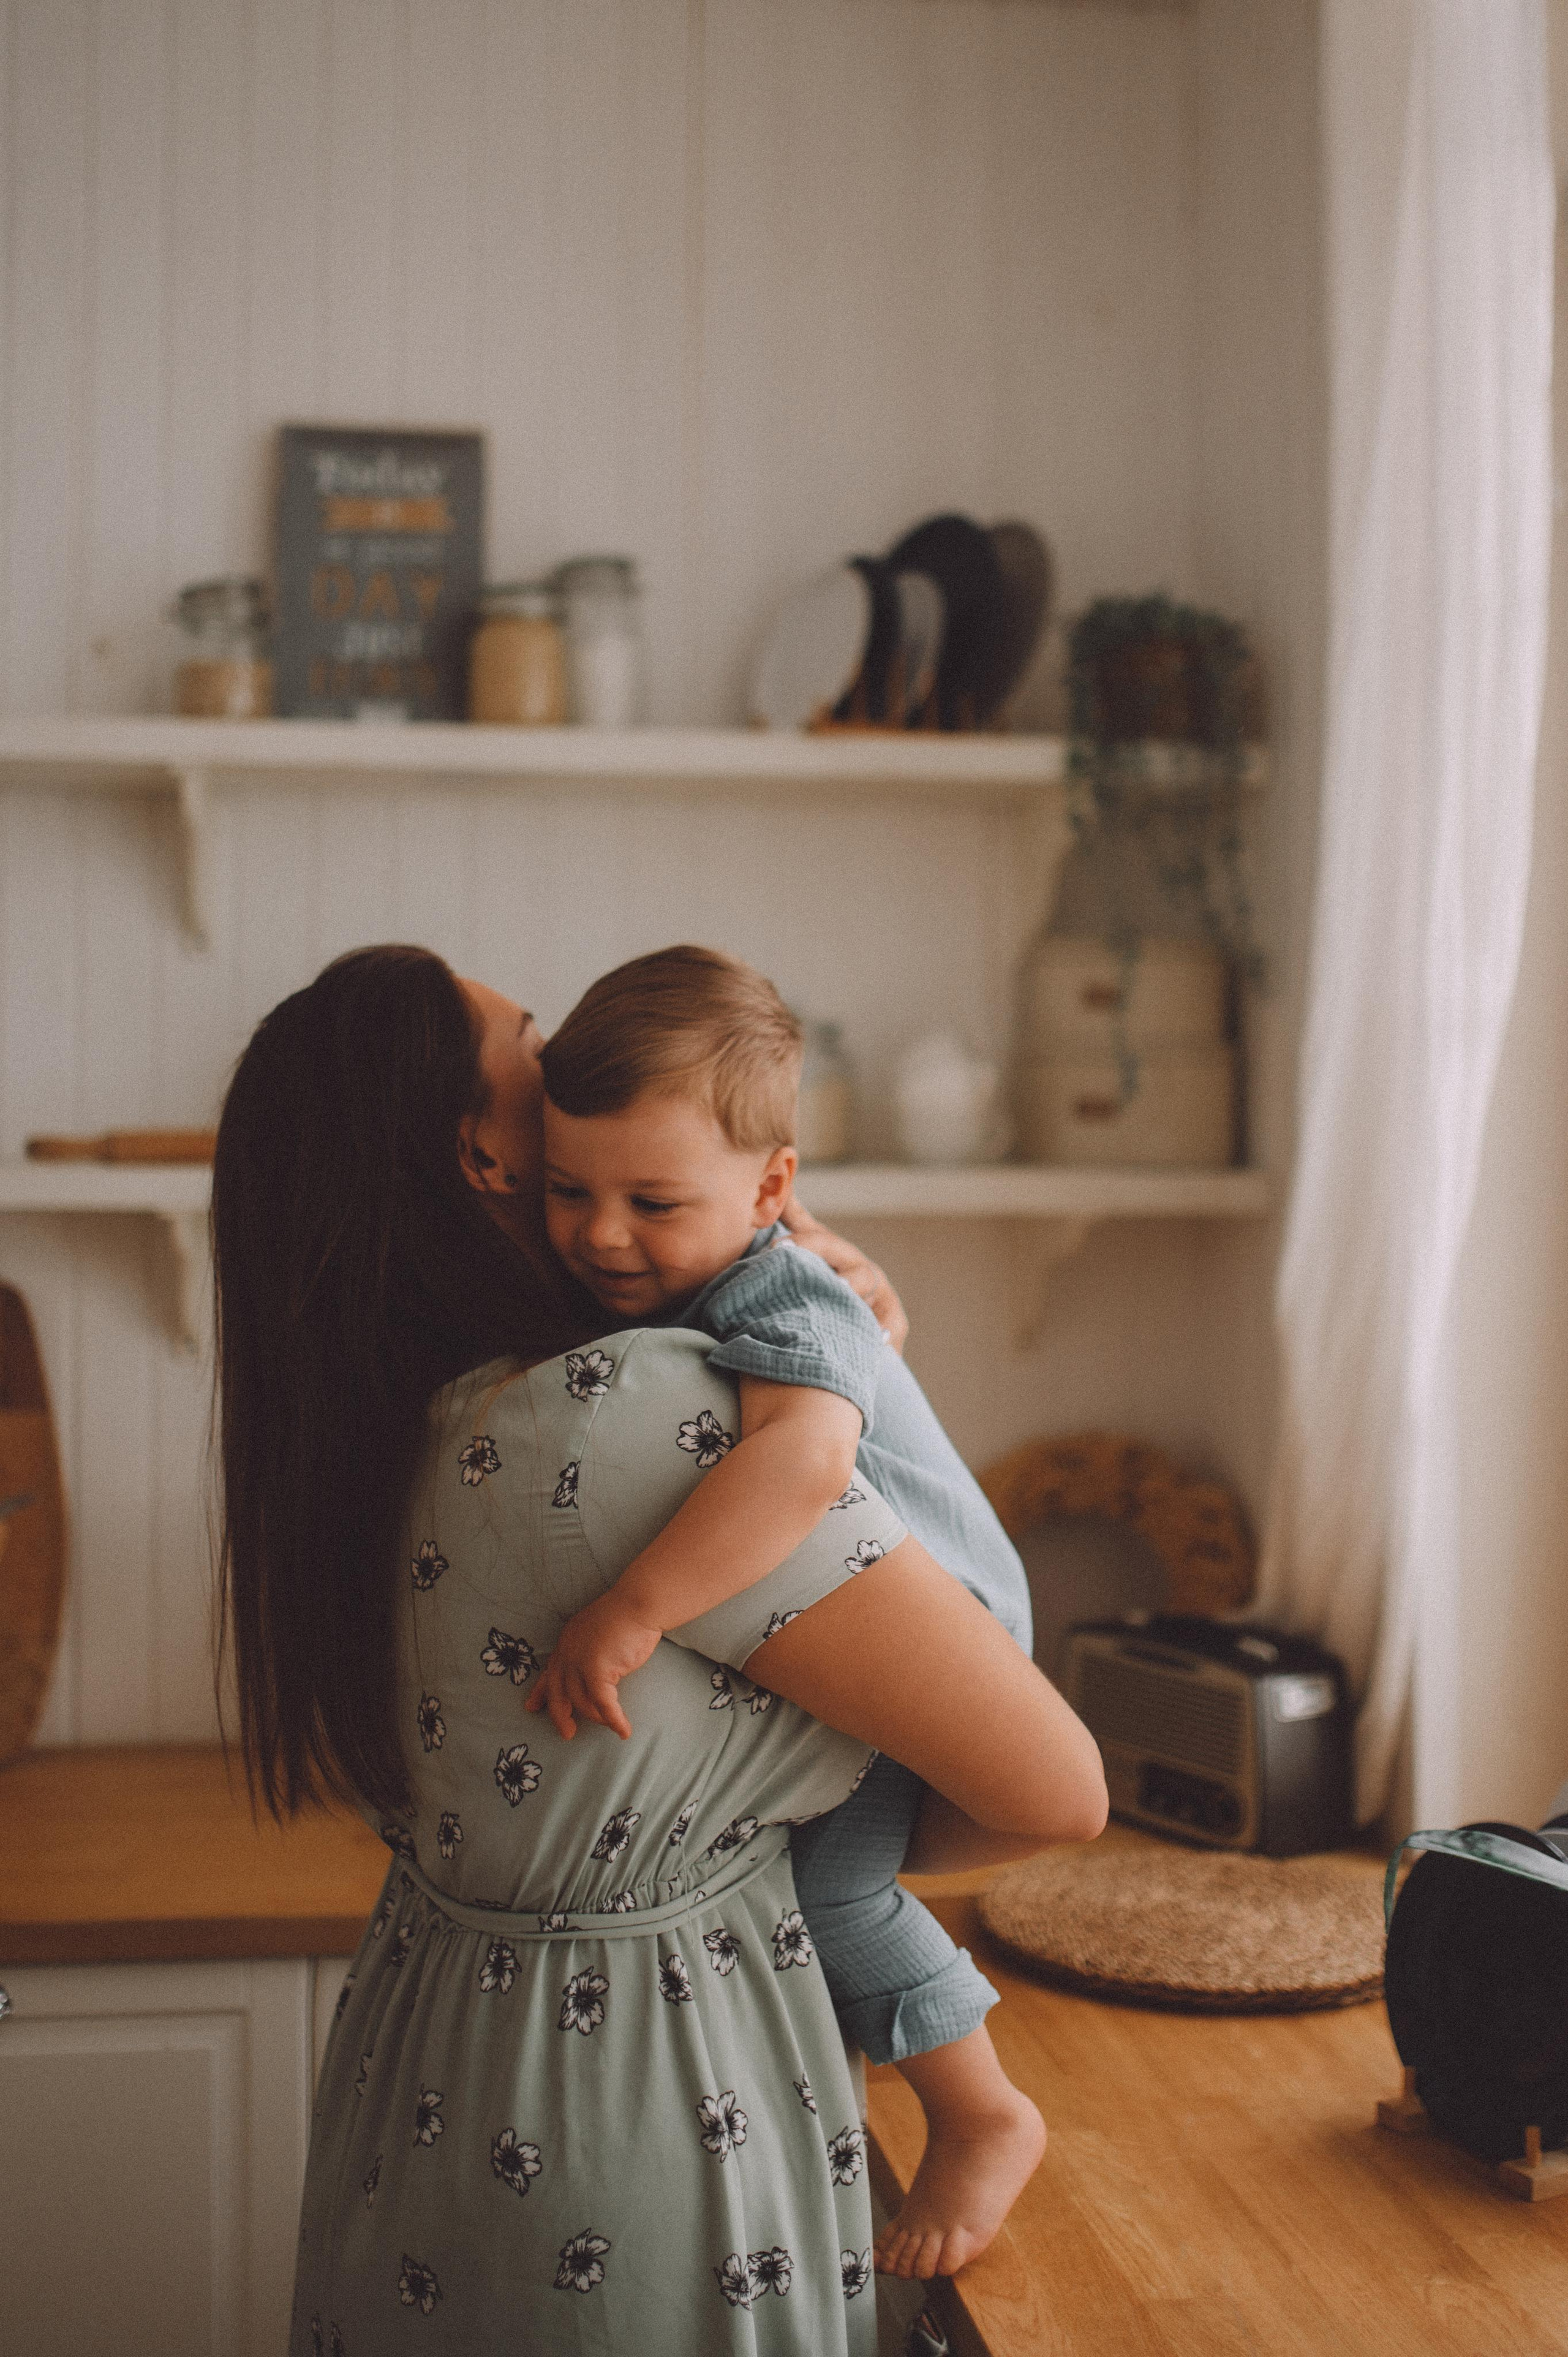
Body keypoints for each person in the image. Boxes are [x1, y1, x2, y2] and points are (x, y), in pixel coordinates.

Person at [213, 944, 1106, 2355]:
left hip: (421, 2080)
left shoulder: (384, 1416)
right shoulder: (632, 1421)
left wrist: (810, 1311)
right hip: (634, 2121)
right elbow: (1054, 1789)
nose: (558, 1055)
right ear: (483, 1154)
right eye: (530, 1053)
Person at [529, 944, 1047, 2278]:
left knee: (830, 1884)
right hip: (847, 1622)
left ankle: (984, 2112)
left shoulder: (780, 1281)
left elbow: (804, 1461)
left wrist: (633, 1606)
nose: (599, 1233)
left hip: (946, 1625)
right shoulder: (671, 1271)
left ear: (768, 1189)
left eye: (650, 1199)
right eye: (565, 1190)